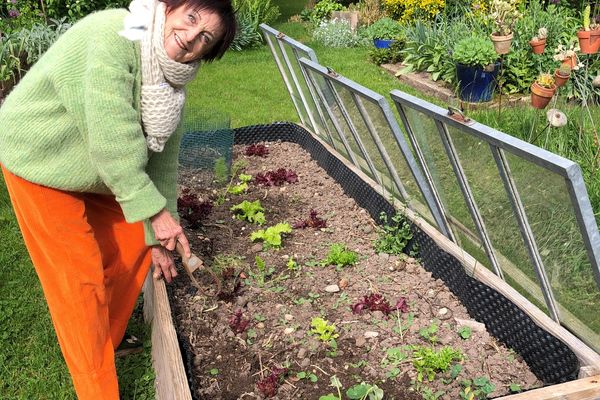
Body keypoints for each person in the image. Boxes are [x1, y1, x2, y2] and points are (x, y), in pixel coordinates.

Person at [0, 0, 236, 398]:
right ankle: (97, 387)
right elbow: (113, 135)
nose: (190, 38)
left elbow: (162, 166)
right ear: (169, 8)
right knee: (78, 279)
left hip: (94, 172)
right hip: (39, 160)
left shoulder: (172, 89)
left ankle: (98, 342)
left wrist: (159, 234)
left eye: (205, 39)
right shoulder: (114, 34)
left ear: (205, 55)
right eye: (191, 18)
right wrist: (154, 216)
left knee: (132, 246)